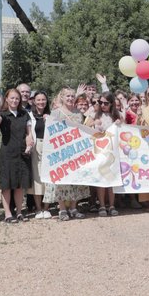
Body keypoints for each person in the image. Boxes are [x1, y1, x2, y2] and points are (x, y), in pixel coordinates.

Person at [0, 89, 33, 224]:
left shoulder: (24, 114)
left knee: (20, 185)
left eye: (17, 98)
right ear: (7, 99)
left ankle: (19, 212)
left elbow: (28, 133)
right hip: (7, 154)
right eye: (12, 98)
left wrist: (29, 144)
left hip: (22, 153)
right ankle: (8, 214)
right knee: (7, 185)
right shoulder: (3, 114)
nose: (15, 101)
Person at [49, 87, 88, 221]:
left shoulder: (78, 113)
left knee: (75, 180)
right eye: (68, 96)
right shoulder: (56, 113)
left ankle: (73, 207)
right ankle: (62, 209)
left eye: (72, 96)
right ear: (62, 98)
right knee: (62, 181)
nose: (70, 99)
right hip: (61, 153)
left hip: (77, 152)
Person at [84, 92, 122, 217]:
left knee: (111, 179)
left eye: (106, 103)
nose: (102, 105)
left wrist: (119, 124)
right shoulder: (94, 114)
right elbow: (84, 127)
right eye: (101, 102)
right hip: (99, 151)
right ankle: (101, 205)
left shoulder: (117, 115)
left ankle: (111, 205)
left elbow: (125, 129)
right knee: (101, 179)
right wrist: (95, 123)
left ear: (111, 104)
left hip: (114, 152)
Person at [27, 91, 54, 219]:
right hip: (36, 147)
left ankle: (46, 208)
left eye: (43, 100)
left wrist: (50, 121)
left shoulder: (52, 115)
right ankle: (38, 209)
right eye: (38, 100)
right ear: (34, 101)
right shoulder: (29, 116)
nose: (41, 102)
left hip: (50, 148)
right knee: (37, 179)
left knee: (49, 178)